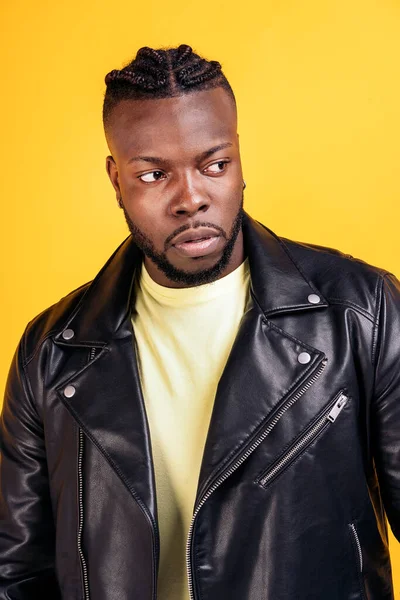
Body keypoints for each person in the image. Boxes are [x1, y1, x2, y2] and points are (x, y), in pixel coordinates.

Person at [0, 43, 399, 600]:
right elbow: (16, 573)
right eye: (154, 174)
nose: (191, 198)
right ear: (116, 181)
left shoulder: (361, 310)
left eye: (215, 165)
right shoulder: (50, 350)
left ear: (239, 159)